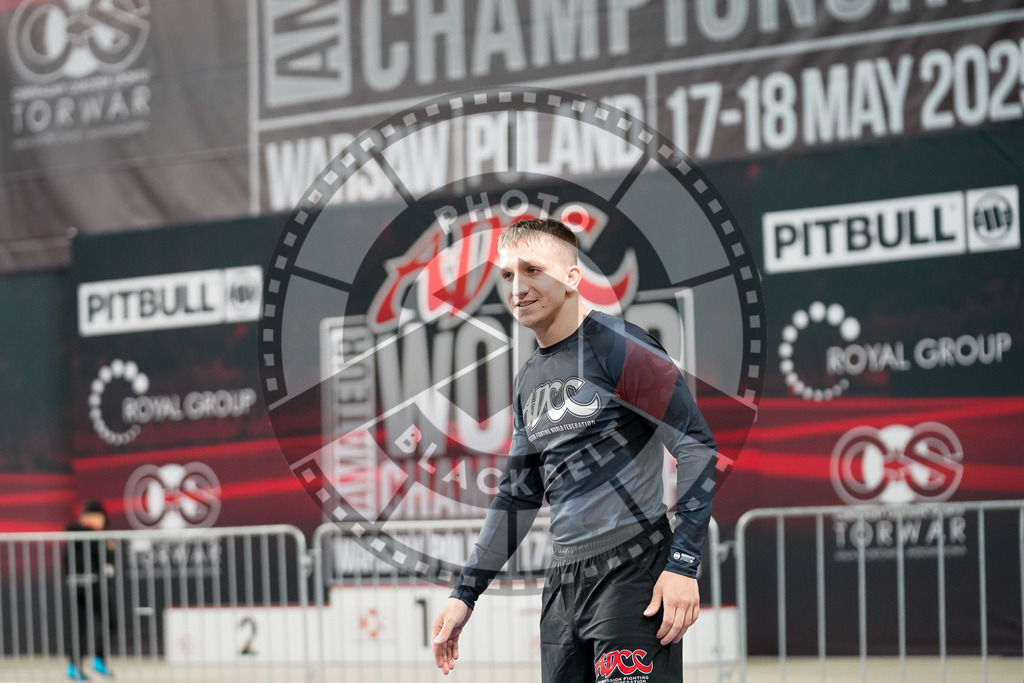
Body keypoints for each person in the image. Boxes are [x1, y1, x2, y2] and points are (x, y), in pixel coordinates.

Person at [431, 218, 718, 682]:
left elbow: (695, 446)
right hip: (564, 583)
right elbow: (519, 495)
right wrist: (464, 594)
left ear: (571, 277)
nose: (518, 288)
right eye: (508, 275)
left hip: (633, 570)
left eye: (533, 270)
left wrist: (683, 565)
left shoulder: (622, 347)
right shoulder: (528, 378)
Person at [64, 500, 116, 680]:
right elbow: (71, 530)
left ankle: (97, 659)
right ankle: (74, 666)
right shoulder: (78, 531)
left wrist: (107, 546)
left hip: (95, 586)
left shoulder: (101, 538)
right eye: (95, 516)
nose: (99, 521)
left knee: (110, 621)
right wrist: (93, 530)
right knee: (80, 628)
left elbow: (107, 560)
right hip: (79, 586)